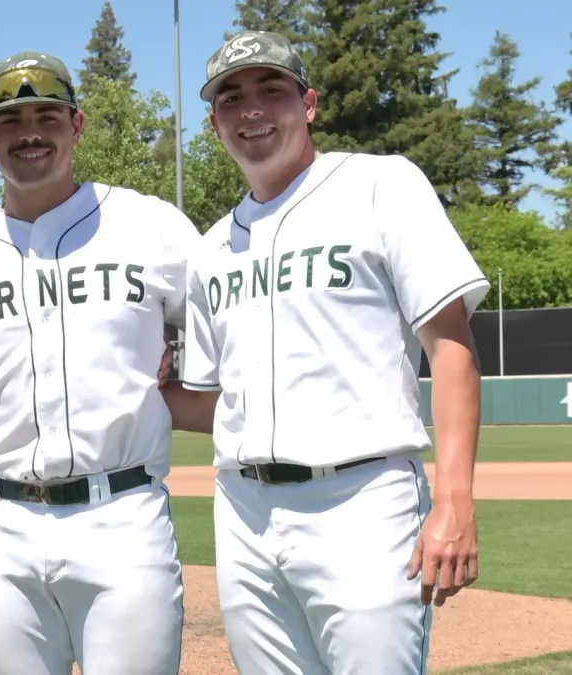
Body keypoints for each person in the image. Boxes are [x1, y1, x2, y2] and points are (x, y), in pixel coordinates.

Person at [181, 30, 487, 674]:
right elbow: (217, 403)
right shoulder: (211, 249)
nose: (252, 109)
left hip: (362, 500)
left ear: (309, 103)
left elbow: (451, 346)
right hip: (244, 512)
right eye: (232, 98)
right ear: (215, 123)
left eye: (272, 90)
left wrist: (455, 499)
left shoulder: (381, 184)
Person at [0, 50, 206, 675]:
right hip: (0, 524)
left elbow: (234, 334)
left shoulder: (149, 224)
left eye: (47, 116)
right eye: (10, 118)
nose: (30, 132)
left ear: (76, 125)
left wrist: (175, 381)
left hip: (122, 515)